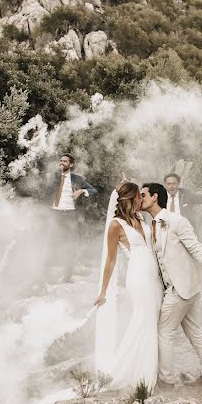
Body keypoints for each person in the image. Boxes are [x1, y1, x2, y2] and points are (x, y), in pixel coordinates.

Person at [141, 182, 202, 388]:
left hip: (183, 287)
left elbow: (197, 249)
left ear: (155, 197)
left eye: (143, 194)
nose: (140, 198)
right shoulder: (152, 225)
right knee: (194, 330)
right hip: (175, 287)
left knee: (164, 331)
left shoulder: (176, 220)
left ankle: (166, 380)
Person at [93, 181, 164, 391]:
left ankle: (145, 371)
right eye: (138, 197)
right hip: (138, 278)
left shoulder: (141, 218)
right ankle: (143, 378)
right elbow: (111, 260)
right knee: (145, 321)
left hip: (155, 278)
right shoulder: (116, 224)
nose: (141, 200)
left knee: (152, 323)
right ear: (129, 199)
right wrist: (103, 291)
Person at [46, 153, 98, 282]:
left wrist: (81, 191)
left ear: (71, 164)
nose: (62, 163)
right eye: (61, 161)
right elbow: (46, 194)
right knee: (49, 244)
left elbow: (94, 190)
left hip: (70, 215)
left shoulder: (77, 179)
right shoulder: (53, 178)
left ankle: (67, 277)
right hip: (55, 214)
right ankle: (45, 276)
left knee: (70, 246)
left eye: (65, 161)